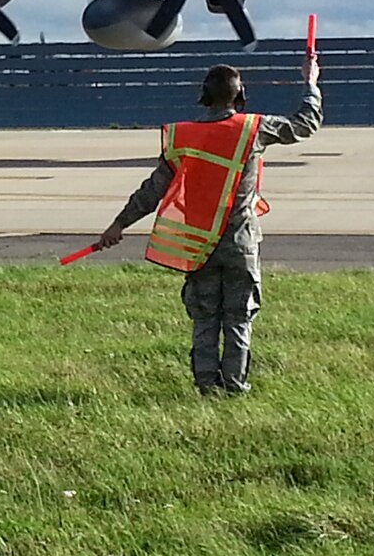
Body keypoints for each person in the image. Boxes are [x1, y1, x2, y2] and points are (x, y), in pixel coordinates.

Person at [90, 54, 323, 395]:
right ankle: (234, 385)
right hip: (240, 242)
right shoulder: (253, 129)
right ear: (240, 94)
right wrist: (310, 83)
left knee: (204, 318)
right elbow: (305, 124)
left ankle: (205, 385)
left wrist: (118, 224)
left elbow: (153, 190)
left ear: (204, 95)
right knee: (238, 318)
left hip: (199, 244)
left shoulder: (182, 137)